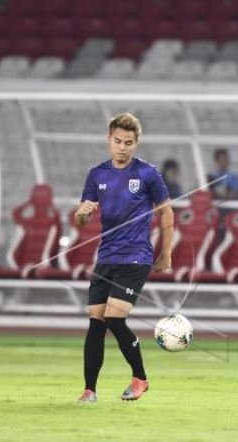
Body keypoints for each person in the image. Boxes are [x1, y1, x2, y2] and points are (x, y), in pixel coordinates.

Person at [74, 112, 174, 403]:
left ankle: (140, 378)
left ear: (136, 142)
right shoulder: (97, 174)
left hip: (136, 257)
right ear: (109, 140)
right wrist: (81, 215)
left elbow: (166, 211)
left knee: (114, 319)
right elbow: (82, 216)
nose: (123, 147)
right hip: (106, 257)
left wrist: (165, 253)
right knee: (96, 324)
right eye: (117, 141)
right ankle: (89, 390)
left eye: (129, 142)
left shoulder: (147, 174)